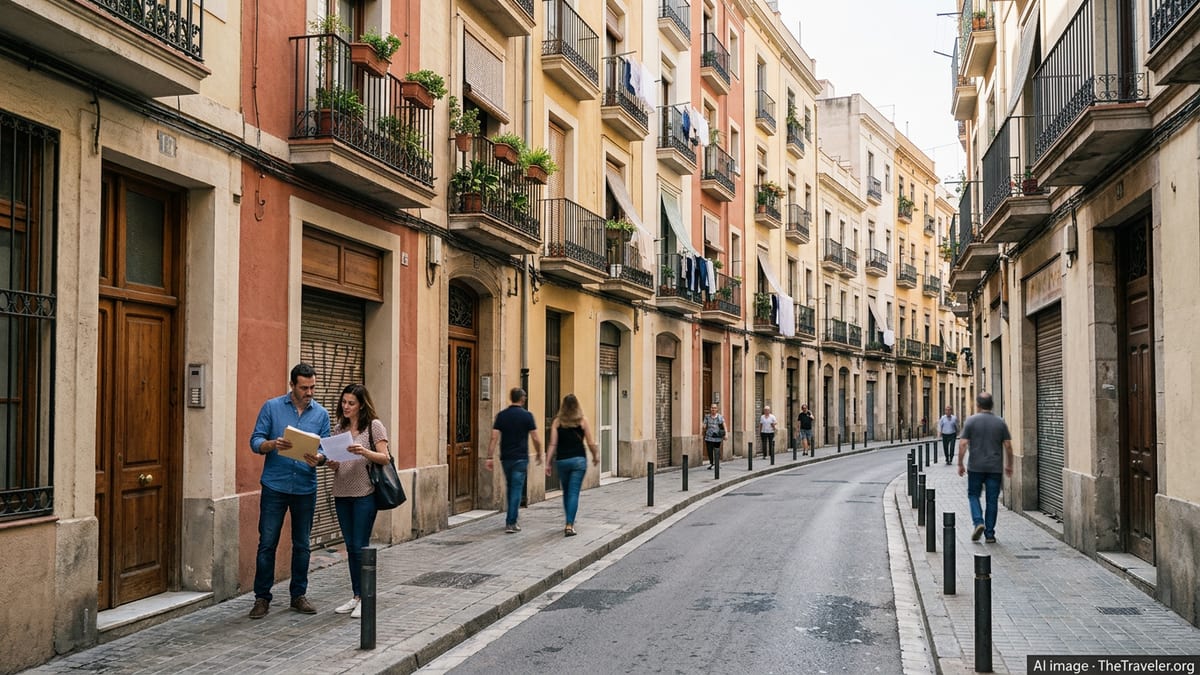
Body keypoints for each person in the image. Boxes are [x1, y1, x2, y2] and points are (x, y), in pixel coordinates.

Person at [248, 363, 331, 619]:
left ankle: (298, 596)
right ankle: (262, 598)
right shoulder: (271, 407)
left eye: (313, 387)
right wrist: (272, 444)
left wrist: (319, 458)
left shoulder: (321, 414)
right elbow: (255, 441)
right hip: (275, 484)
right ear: (292, 386)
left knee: (302, 545)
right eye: (304, 387)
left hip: (305, 486)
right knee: (267, 544)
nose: (309, 392)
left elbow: (326, 449)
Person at [326, 383, 391, 619]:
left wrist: (363, 451)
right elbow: (337, 459)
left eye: (351, 403)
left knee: (361, 546)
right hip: (342, 492)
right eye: (343, 402)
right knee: (350, 546)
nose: (345, 406)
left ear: (361, 405)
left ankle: (366, 598)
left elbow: (385, 458)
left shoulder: (374, 426)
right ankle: (356, 596)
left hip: (365, 493)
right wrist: (332, 462)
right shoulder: (339, 427)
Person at [957, 392, 1013, 544]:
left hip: (975, 467)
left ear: (978, 405)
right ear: (992, 405)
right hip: (995, 468)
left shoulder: (971, 421)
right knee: (992, 500)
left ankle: (978, 522)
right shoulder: (1000, 422)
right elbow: (1008, 445)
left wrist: (960, 463)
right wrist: (1009, 464)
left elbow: (962, 444)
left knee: (973, 495)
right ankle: (990, 534)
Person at [486, 387, 543, 533]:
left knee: (510, 488)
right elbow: (535, 438)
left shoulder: (502, 416)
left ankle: (511, 519)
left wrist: (489, 456)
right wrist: (539, 452)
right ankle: (511, 522)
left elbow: (494, 437)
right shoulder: (527, 416)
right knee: (516, 490)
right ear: (522, 398)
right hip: (520, 458)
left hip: (506, 458)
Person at [545, 394, 600, 537]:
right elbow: (590, 441)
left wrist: (548, 462)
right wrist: (595, 456)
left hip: (562, 461)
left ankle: (568, 521)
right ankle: (569, 524)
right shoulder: (582, 421)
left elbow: (552, 444)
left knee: (566, 492)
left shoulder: (557, 422)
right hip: (578, 461)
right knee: (574, 492)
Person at [702, 403, 725, 469]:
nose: (713, 409)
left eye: (714, 408)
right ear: (710, 409)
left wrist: (725, 434)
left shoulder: (720, 417)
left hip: (717, 437)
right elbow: (704, 425)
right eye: (712, 408)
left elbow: (724, 425)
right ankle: (712, 463)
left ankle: (717, 463)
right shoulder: (707, 417)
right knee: (709, 451)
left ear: (717, 409)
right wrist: (703, 427)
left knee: (717, 451)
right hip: (709, 437)